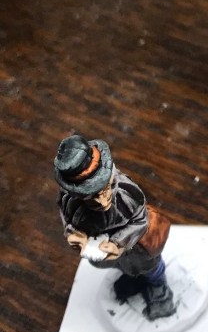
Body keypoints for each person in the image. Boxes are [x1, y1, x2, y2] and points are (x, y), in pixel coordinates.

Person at [54, 134, 175, 320]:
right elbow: (66, 217)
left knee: (150, 268)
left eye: (104, 190)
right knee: (125, 268)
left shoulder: (126, 193)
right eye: (91, 196)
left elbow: (140, 221)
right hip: (106, 251)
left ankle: (160, 291)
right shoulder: (69, 202)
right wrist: (73, 234)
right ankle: (134, 280)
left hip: (136, 246)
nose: (103, 202)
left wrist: (118, 243)